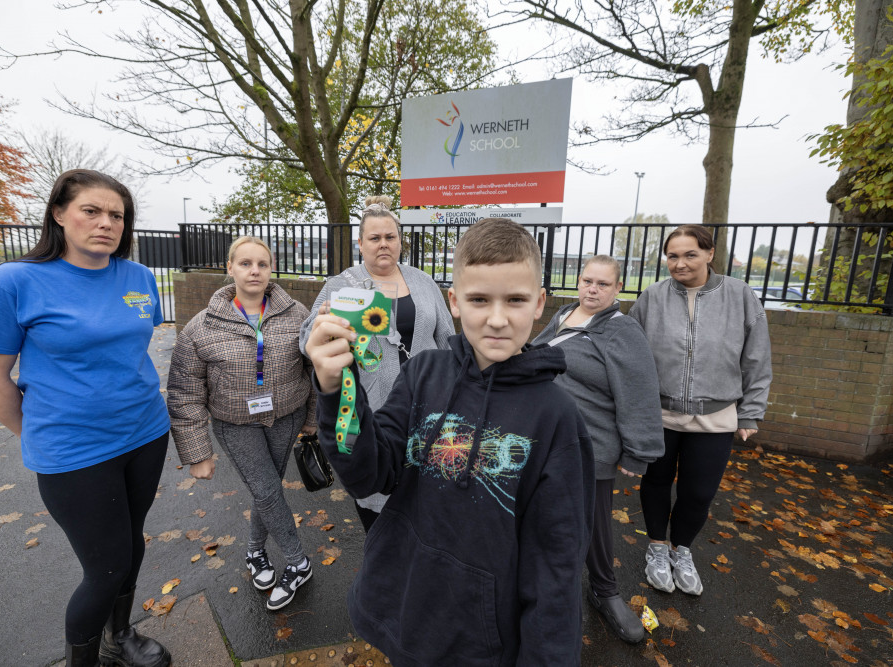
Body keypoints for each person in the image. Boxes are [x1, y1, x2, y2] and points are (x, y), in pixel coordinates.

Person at [305, 217, 594, 665]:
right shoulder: (424, 374)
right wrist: (334, 386)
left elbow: (557, 568)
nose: (496, 319)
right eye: (479, 299)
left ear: (539, 304)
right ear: (454, 302)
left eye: (514, 300)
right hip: (403, 606)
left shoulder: (557, 418)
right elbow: (369, 474)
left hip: (481, 641)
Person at [0, 170, 171, 667]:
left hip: (145, 434)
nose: (106, 223)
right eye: (91, 211)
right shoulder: (14, 282)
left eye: (116, 215)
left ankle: (120, 636)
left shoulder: (138, 277)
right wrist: (41, 432)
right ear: (59, 214)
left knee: (132, 542)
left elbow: (131, 353)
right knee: (106, 566)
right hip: (74, 451)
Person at [167, 236, 317, 611]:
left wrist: (312, 420)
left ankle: (254, 552)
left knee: (266, 492)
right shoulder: (202, 326)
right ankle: (299, 563)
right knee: (267, 490)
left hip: (287, 415)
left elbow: (314, 369)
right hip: (235, 423)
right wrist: (198, 453)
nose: (254, 271)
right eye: (245, 263)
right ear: (229, 268)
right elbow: (184, 392)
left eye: (262, 264)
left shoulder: (297, 313)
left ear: (271, 269)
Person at [629, 224, 772, 596]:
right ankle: (657, 548)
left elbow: (757, 358)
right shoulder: (652, 296)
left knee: (699, 492)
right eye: (673, 256)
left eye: (690, 254)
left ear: (709, 254)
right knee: (656, 483)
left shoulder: (739, 295)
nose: (680, 263)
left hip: (716, 416)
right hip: (659, 414)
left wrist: (751, 412)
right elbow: (630, 355)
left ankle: (682, 550)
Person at [298, 195, 454, 531]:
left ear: (400, 240)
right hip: (375, 404)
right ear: (360, 243)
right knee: (381, 506)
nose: (383, 244)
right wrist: (322, 326)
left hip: (428, 402)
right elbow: (306, 337)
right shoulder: (340, 286)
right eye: (374, 238)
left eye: (390, 237)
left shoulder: (423, 282)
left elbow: (448, 337)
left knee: (429, 488)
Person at [533, 254, 664, 644]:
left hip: (590, 445)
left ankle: (605, 592)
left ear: (617, 288)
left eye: (603, 284)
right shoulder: (563, 316)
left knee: (594, 523)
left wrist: (638, 452)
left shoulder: (623, 331)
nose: (592, 288)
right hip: (546, 438)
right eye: (587, 280)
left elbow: (639, 393)